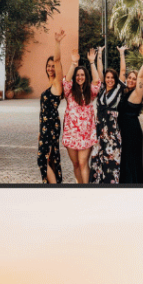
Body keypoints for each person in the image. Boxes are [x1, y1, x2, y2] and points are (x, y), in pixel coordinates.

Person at [61, 47, 101, 183]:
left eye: (82, 75)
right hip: (71, 134)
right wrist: (73, 63)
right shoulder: (69, 92)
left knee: (83, 163)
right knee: (76, 164)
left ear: (86, 76)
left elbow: (97, 81)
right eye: (77, 75)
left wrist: (91, 62)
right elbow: (66, 81)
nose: (79, 77)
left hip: (86, 135)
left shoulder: (91, 92)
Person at [117, 42, 143, 183]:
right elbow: (122, 72)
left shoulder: (138, 92)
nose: (131, 80)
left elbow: (141, 77)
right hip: (122, 131)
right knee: (124, 161)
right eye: (129, 78)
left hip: (132, 132)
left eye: (134, 79)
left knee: (132, 162)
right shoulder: (124, 91)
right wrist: (121, 54)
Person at [89, 50, 124, 183]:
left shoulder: (118, 89)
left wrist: (121, 54)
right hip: (99, 131)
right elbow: (99, 70)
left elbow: (123, 70)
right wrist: (99, 55)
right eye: (107, 77)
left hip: (112, 132)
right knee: (97, 159)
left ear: (115, 79)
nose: (110, 80)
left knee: (111, 161)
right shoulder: (102, 89)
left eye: (112, 78)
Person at [37, 29, 66, 183]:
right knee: (49, 158)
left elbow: (58, 60)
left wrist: (57, 43)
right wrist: (40, 132)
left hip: (51, 126)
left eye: (52, 66)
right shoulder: (49, 84)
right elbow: (43, 111)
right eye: (48, 66)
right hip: (45, 127)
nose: (50, 68)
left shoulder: (57, 83)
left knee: (43, 159)